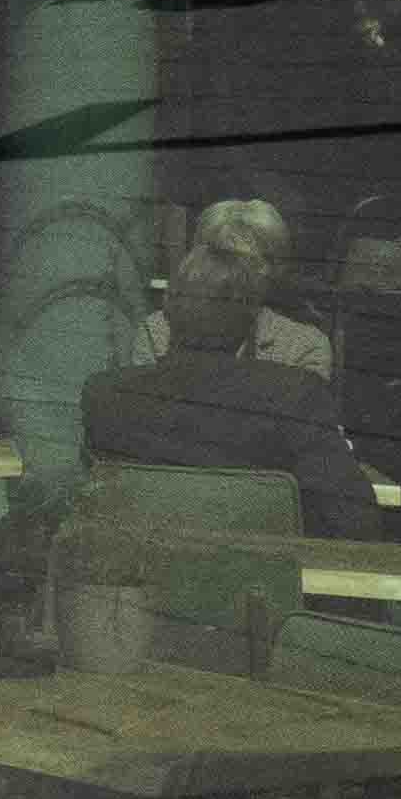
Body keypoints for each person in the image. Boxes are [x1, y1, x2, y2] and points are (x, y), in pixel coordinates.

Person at [82, 242, 382, 543]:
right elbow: (355, 522)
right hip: (261, 571)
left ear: (167, 309)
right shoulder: (296, 397)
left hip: (141, 570)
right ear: (251, 323)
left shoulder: (104, 396)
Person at [134, 197, 332, 377]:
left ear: (274, 269)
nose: (231, 275)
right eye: (219, 259)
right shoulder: (159, 332)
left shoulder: (303, 346)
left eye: (247, 263)